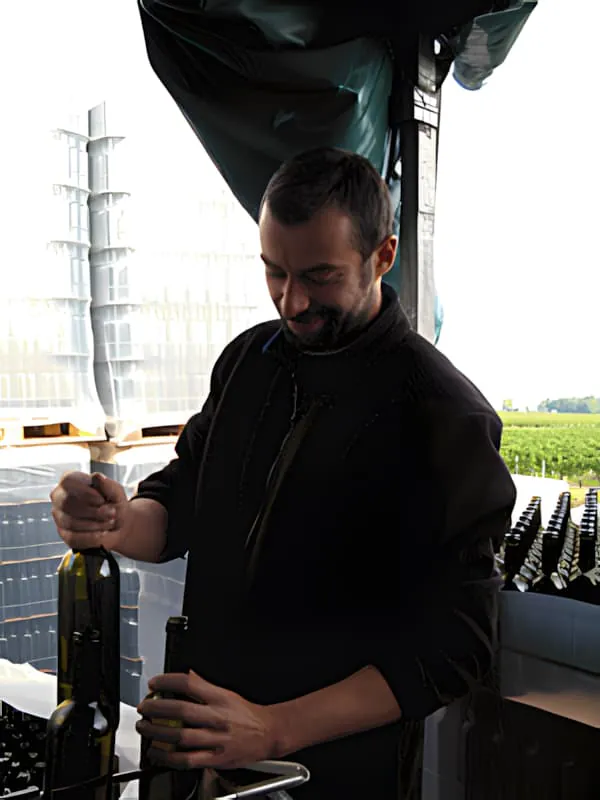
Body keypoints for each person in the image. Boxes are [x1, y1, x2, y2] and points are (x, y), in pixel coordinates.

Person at [50, 146, 516, 800]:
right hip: (202, 750)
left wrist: (272, 729)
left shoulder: (443, 417)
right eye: (274, 272)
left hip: (333, 776)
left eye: (319, 276)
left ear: (383, 256)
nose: (291, 303)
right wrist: (116, 519)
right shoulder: (249, 362)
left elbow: (455, 645)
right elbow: (179, 505)